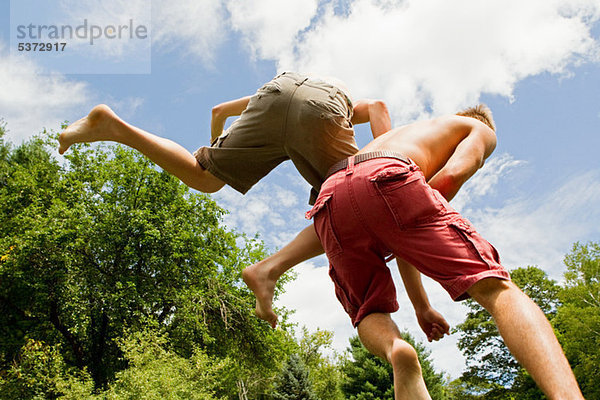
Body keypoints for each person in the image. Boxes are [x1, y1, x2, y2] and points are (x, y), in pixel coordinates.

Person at [300, 105, 583, 399]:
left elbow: (403, 239)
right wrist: (412, 206)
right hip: (387, 173)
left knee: (367, 310)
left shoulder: (408, 134)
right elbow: (452, 173)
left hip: (330, 196)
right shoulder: (479, 129)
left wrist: (422, 306)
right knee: (496, 288)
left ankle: (395, 349)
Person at [58, 72, 391, 203]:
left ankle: (115, 127)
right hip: (326, 102)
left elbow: (218, 111)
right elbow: (376, 106)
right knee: (353, 194)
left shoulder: (287, 91)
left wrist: (217, 160)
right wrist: (391, 163)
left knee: (205, 179)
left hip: (273, 89)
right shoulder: (342, 95)